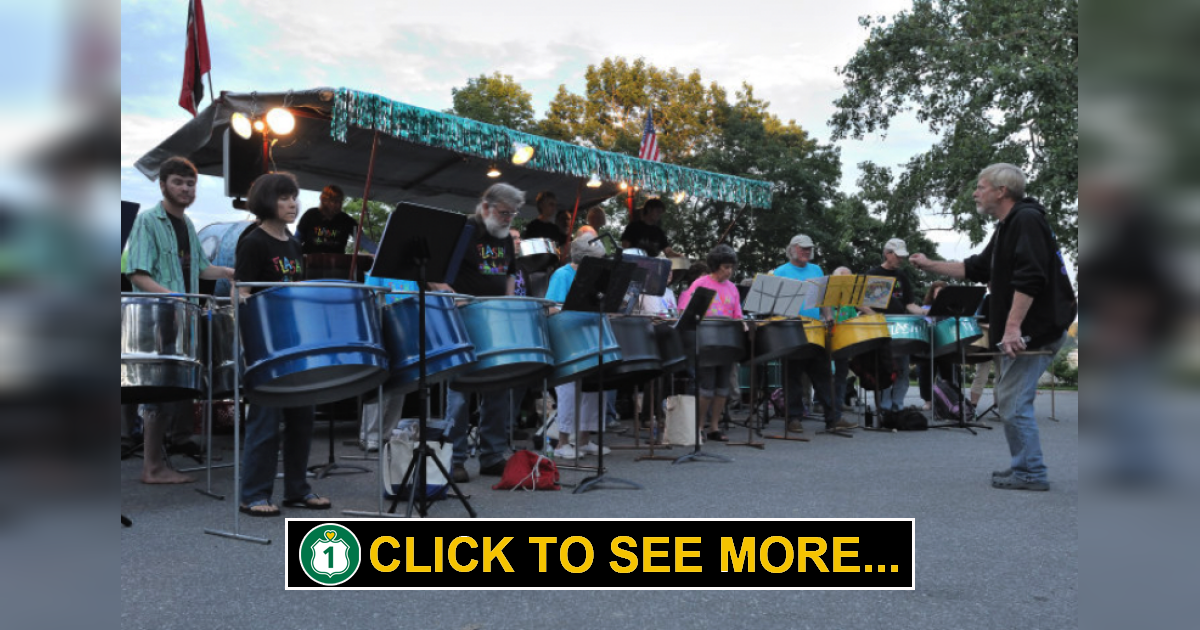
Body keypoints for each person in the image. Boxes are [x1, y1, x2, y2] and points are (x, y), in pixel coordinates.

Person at [911, 163, 1077, 491]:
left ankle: (1030, 473)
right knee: (1010, 399)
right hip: (1029, 331)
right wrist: (931, 265)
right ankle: (1025, 467)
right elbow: (977, 267)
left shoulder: (1026, 220)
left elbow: (1031, 278)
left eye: (980, 186)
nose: (975, 193)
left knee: (1012, 402)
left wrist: (1013, 328)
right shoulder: (1007, 226)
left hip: (1036, 330)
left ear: (1002, 191)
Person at [123, 156, 234, 484]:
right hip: (156, 316)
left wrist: (228, 271)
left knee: (171, 390)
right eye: (178, 182)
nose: (186, 189)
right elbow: (137, 273)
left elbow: (201, 269)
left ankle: (157, 463)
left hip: (179, 316)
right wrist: (172, 297)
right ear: (163, 185)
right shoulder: (147, 221)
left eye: (190, 183)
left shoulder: (186, 225)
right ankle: (152, 467)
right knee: (157, 391)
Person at [234, 172, 330, 515]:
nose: (293, 204)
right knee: (265, 422)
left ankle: (296, 489)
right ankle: (253, 494)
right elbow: (241, 293)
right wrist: (247, 347)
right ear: (266, 201)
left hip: (295, 342)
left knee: (303, 419)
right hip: (266, 346)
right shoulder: (253, 241)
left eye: (294, 197)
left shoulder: (292, 243)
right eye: (284, 198)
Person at [431, 182, 523, 483]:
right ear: (486, 207)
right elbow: (432, 271)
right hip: (464, 317)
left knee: (498, 387)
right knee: (460, 391)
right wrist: (449, 293)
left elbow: (510, 273)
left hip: (495, 318)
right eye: (504, 213)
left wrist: (508, 302)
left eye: (512, 214)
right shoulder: (464, 230)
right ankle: (455, 458)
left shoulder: (505, 236)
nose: (508, 219)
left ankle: (492, 456)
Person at [769, 234, 857, 433]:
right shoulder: (780, 272)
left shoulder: (816, 270)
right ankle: (793, 418)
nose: (807, 251)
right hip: (791, 331)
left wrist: (828, 315)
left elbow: (823, 299)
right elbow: (772, 305)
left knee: (824, 376)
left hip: (816, 330)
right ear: (792, 249)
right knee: (792, 376)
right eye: (803, 248)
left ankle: (833, 418)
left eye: (809, 248)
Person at [544, 238, 611, 459]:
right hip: (568, 339)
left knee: (595, 388)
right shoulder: (562, 275)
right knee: (568, 390)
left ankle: (584, 440)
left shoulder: (595, 278)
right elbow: (550, 309)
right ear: (586, 260)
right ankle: (562, 443)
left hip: (590, 336)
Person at [678, 244, 744, 442]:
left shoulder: (733, 288)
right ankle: (699, 427)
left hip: (726, 342)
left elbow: (737, 315)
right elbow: (686, 312)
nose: (729, 271)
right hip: (706, 341)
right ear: (715, 266)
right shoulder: (701, 284)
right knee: (706, 388)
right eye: (725, 267)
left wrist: (743, 326)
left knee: (723, 388)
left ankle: (714, 427)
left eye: (731, 267)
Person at [861, 237, 926, 413]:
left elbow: (909, 304)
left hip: (900, 328)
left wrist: (924, 312)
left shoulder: (902, 276)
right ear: (887, 254)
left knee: (903, 369)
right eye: (898, 255)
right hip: (879, 329)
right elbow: (860, 303)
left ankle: (898, 407)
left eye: (902, 256)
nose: (901, 259)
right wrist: (875, 316)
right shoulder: (873, 274)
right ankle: (884, 409)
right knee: (884, 369)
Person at [358, 271, 418, 452]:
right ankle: (369, 435)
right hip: (383, 320)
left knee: (401, 379)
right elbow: (370, 292)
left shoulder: (411, 269)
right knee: (380, 379)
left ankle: (388, 433)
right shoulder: (380, 267)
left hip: (406, 321)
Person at [296, 184, 376, 255]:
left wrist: (380, 254)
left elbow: (365, 242)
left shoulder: (346, 220)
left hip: (335, 264)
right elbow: (296, 240)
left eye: (340, 202)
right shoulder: (310, 215)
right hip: (310, 263)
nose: (338, 205)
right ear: (324, 201)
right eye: (334, 201)